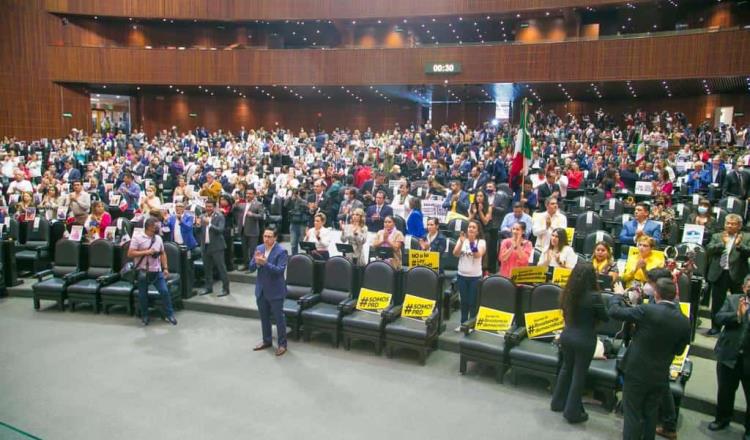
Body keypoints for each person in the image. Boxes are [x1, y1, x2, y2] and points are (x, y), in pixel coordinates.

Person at [609, 278, 691, 440]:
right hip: (660, 374)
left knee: (632, 414)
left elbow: (614, 312)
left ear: (656, 293)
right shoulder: (684, 321)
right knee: (650, 413)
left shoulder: (647, 310)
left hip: (636, 371)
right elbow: (679, 350)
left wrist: (618, 296)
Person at [551, 262, 608, 424]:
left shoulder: (567, 292)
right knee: (579, 374)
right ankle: (572, 412)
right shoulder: (594, 296)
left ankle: (557, 402)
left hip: (567, 335)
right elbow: (605, 317)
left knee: (566, 368)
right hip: (585, 339)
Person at [709, 275, 750, 438]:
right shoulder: (733, 300)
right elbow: (719, 318)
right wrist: (737, 316)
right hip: (728, 355)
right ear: (744, 287)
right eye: (748, 284)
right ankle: (722, 419)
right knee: (725, 391)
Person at [128, 217, 177, 326]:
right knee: (142, 295)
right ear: (149, 227)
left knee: (164, 291)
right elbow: (130, 253)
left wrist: (165, 268)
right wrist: (146, 252)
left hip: (156, 270)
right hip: (143, 271)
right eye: (156, 226)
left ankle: (170, 314)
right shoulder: (137, 238)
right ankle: (145, 316)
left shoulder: (158, 238)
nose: (158, 228)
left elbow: (162, 253)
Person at [707, 214, 750, 336]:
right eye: (728, 223)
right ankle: (715, 327)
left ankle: (737, 326)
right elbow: (709, 250)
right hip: (720, 273)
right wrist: (723, 244)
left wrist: (739, 245)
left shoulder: (746, 237)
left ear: (739, 226)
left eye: (733, 224)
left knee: (738, 301)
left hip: (738, 274)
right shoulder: (717, 236)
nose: (730, 226)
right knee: (717, 303)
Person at [248, 227, 289, 357]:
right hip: (261, 289)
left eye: (269, 236)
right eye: (265, 236)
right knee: (264, 317)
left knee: (278, 318)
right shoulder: (259, 248)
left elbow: (279, 271)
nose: (266, 239)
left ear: (275, 238)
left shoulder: (281, 251)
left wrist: (265, 263)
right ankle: (267, 340)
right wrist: (256, 262)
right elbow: (250, 267)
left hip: (275, 290)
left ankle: (282, 344)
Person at [453, 220, 486, 330]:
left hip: (475, 277)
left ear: (477, 231)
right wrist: (462, 242)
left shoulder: (481, 242)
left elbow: (477, 255)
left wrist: (472, 243)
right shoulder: (462, 240)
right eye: (469, 227)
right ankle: (463, 323)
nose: (471, 229)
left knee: (473, 302)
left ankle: (471, 324)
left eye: (473, 227)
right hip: (462, 275)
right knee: (464, 301)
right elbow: (455, 254)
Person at [197, 199, 230, 297]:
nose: (208, 208)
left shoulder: (219, 216)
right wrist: (197, 225)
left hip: (217, 246)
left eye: (210, 206)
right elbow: (199, 231)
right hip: (205, 246)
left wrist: (209, 224)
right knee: (207, 268)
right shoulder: (202, 216)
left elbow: (220, 230)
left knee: (221, 268)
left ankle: (225, 289)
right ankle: (208, 287)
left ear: (214, 207)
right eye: (207, 206)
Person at [236, 188, 264, 270]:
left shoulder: (258, 204)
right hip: (243, 229)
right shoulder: (242, 204)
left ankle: (253, 266)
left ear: (254, 195)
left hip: (253, 230)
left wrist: (253, 215)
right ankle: (246, 265)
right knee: (244, 249)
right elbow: (234, 211)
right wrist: (235, 204)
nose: (248, 195)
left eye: (250, 193)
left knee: (252, 251)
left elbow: (262, 216)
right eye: (247, 193)